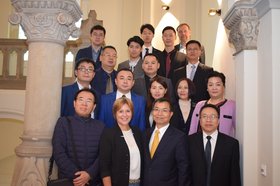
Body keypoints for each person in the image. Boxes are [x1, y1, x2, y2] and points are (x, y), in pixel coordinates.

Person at [52, 88, 105, 186]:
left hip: (93, 181)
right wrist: (78, 177)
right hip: (69, 180)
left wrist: (89, 174)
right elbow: (58, 152)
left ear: (94, 107)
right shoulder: (63, 123)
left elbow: (103, 154)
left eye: (89, 101)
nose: (84, 104)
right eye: (81, 100)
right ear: (74, 103)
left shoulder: (101, 126)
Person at [188, 104, 241, 186]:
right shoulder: (188, 141)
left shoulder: (231, 144)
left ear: (219, 120)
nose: (208, 120)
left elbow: (235, 176)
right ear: (200, 120)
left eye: (213, 116)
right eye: (204, 116)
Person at [143, 98, 190, 186]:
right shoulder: (145, 134)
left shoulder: (179, 137)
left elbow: (183, 168)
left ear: (171, 114)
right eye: (156, 109)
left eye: (164, 110)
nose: (159, 113)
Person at [100, 97, 143, 186]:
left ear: (132, 113)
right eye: (120, 111)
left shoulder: (137, 132)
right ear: (115, 114)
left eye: (128, 111)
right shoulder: (108, 134)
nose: (125, 115)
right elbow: (104, 166)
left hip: (139, 183)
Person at [189, 71, 236, 137]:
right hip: (199, 145)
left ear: (224, 87)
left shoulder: (232, 105)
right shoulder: (200, 105)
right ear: (207, 88)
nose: (214, 88)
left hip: (223, 145)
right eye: (210, 85)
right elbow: (192, 129)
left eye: (218, 84)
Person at [173, 40, 213, 104]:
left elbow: (209, 91)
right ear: (186, 52)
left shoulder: (208, 71)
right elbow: (175, 92)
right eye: (189, 49)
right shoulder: (177, 72)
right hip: (181, 107)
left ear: (200, 52)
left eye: (195, 49)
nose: (192, 51)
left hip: (201, 106)